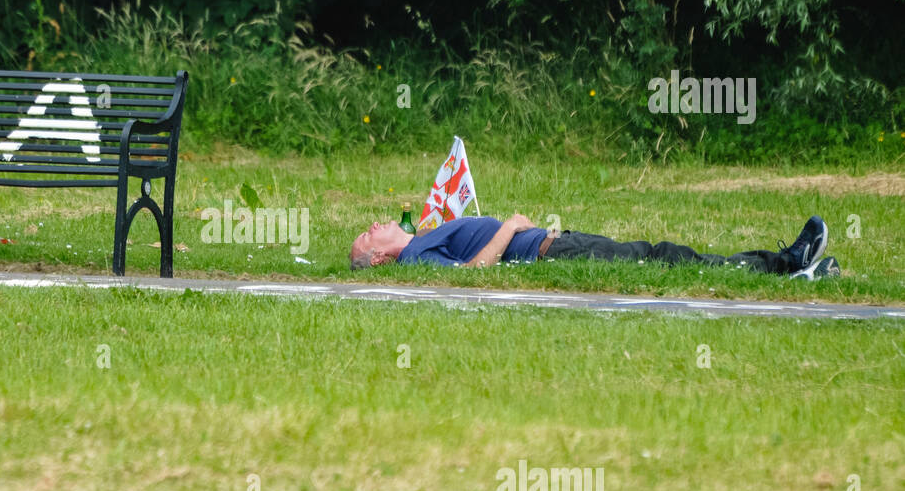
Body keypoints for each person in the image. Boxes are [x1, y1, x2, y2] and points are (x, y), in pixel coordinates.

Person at [349, 214, 839, 279]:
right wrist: (512, 226)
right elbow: (472, 272)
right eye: (368, 234)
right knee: (666, 259)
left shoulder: (423, 236)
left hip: (554, 244)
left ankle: (789, 266)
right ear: (377, 257)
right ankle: (788, 266)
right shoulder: (414, 257)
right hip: (548, 252)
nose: (374, 224)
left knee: (664, 256)